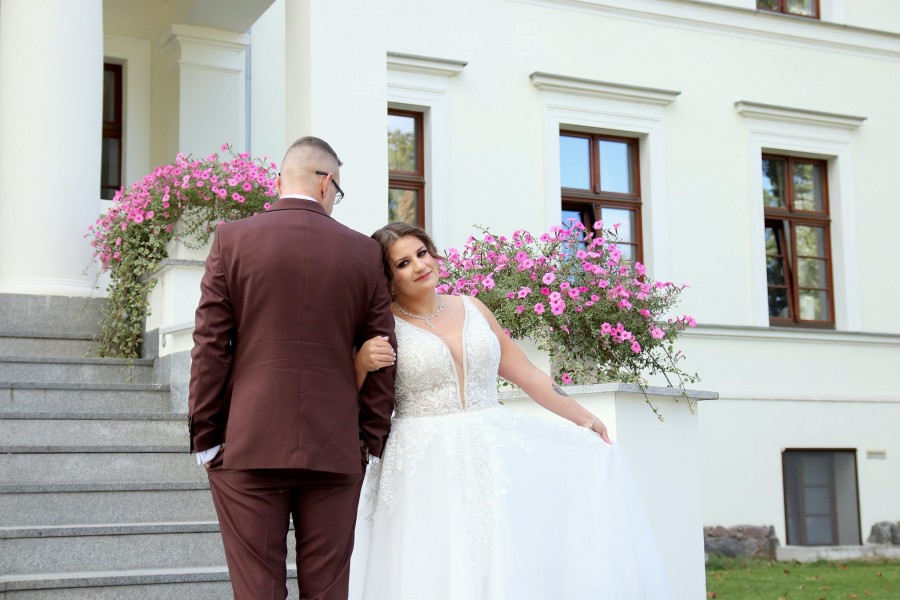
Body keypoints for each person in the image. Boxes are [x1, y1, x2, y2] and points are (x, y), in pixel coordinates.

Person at [348, 221, 673, 600]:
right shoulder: (383, 327)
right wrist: (360, 363)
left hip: (490, 451)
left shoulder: (473, 307)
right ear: (389, 278)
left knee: (498, 555)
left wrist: (586, 418)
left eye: (421, 253)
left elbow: (529, 374)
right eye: (403, 263)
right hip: (422, 462)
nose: (420, 266)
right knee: (433, 560)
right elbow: (351, 397)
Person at [187, 136, 396, 600]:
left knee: (258, 590)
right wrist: (369, 438)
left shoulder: (232, 239)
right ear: (327, 183)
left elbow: (210, 344)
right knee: (327, 590)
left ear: (279, 182)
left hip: (249, 443)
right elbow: (383, 350)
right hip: (335, 447)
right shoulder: (363, 252)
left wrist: (206, 437)